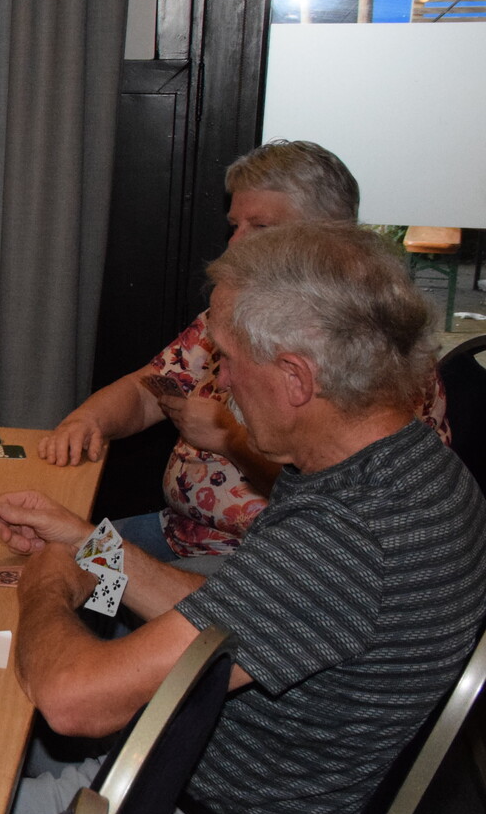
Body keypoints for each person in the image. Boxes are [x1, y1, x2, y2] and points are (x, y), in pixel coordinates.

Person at [0, 222, 486, 814]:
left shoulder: (348, 538)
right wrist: (87, 546)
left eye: (226, 359)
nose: (216, 383)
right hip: (178, 791)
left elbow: (73, 701)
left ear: (296, 377)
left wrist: (45, 583)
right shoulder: (395, 468)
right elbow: (226, 619)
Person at [41, 140, 447, 562]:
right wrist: (87, 420)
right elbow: (149, 387)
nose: (236, 244)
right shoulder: (242, 313)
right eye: (235, 226)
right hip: (179, 533)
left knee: (66, 575)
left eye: (261, 228)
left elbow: (335, 506)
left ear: (327, 237)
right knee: (45, 553)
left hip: (255, 559)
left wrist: (230, 439)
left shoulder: (368, 355)